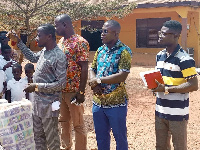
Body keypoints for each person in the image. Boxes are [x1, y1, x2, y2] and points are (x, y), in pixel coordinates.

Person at [10, 23, 67, 150]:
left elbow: (61, 84)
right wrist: (18, 42)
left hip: (49, 106)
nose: (36, 38)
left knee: (52, 140)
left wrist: (37, 86)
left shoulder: (59, 56)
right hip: (37, 105)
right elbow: (32, 57)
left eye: (39, 35)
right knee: (38, 138)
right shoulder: (44, 52)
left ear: (49, 36)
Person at [152, 20, 198, 150]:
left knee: (179, 146)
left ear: (176, 35)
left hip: (178, 114)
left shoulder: (185, 59)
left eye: (164, 33)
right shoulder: (159, 56)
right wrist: (154, 87)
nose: (160, 36)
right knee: (160, 146)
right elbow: (161, 80)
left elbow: (194, 85)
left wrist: (166, 89)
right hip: (160, 111)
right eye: (160, 32)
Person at [88, 20, 132, 150]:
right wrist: (93, 83)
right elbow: (92, 68)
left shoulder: (124, 51)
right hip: (98, 103)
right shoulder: (100, 50)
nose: (102, 34)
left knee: (120, 137)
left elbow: (122, 75)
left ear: (116, 33)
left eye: (105, 31)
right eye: (102, 31)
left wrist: (99, 80)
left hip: (116, 103)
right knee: (101, 136)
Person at [55, 14, 89, 150]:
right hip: (61, 90)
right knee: (63, 121)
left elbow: (85, 68)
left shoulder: (80, 42)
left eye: (56, 25)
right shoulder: (61, 42)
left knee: (78, 124)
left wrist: (81, 92)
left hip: (74, 91)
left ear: (65, 25)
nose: (55, 28)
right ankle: (66, 146)